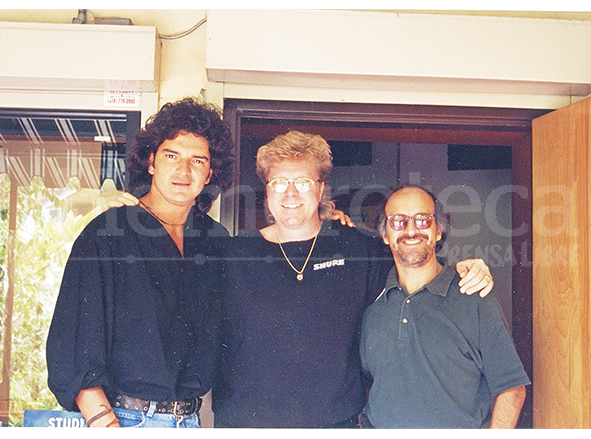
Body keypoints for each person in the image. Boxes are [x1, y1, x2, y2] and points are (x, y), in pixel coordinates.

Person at [212, 131, 495, 428]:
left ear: (320, 189)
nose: (291, 194)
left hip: (334, 424)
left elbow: (417, 265)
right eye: (279, 182)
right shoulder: (232, 255)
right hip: (245, 424)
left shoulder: (358, 248)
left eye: (304, 182)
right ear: (267, 190)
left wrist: (466, 268)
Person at [46, 97, 234, 428]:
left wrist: (327, 222)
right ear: (151, 162)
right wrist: (106, 426)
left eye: (198, 160)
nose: (183, 170)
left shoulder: (216, 240)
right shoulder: (108, 233)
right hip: (125, 419)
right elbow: (74, 342)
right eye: (171, 155)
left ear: (210, 174)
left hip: (190, 421)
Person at [359, 184, 529, 429]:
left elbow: (512, 389)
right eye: (398, 221)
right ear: (385, 235)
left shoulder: (473, 297)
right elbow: (366, 386)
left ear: (439, 230)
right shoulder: (371, 304)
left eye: (423, 220)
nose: (410, 230)